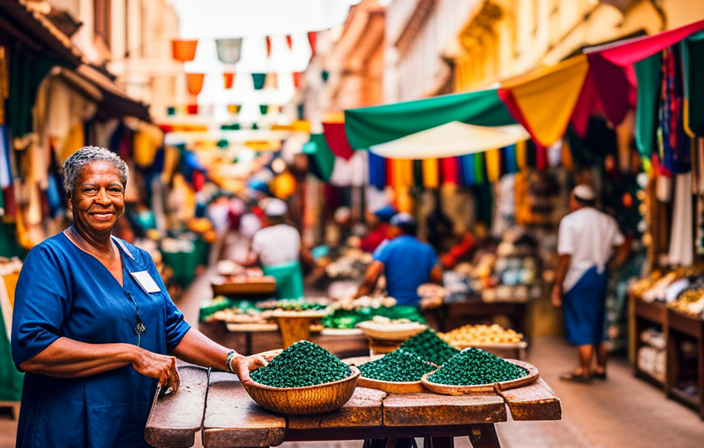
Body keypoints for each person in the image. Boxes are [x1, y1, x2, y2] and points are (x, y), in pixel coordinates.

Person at [11, 147, 271, 448]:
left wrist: (233, 359)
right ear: (70, 198)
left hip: (139, 417)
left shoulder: (138, 258)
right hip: (72, 424)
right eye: (90, 190)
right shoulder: (50, 259)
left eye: (114, 190)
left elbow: (171, 328)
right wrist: (130, 353)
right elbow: (31, 348)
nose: (104, 200)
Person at [552, 184, 630, 382]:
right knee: (600, 319)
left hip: (578, 276)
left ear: (575, 201)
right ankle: (601, 366)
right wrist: (613, 264)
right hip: (600, 273)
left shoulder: (570, 222)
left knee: (582, 322)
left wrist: (558, 285)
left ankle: (583, 369)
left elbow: (565, 257)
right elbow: (624, 244)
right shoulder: (607, 220)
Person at [355, 213, 443, 306]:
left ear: (397, 229)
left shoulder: (387, 246)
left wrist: (359, 295)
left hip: (395, 304)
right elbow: (436, 276)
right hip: (421, 305)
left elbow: (373, 273)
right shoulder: (427, 249)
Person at [246, 198, 317, 299]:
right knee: (294, 307)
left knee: (270, 307)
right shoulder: (292, 232)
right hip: (291, 275)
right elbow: (303, 253)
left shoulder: (261, 235)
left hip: (271, 275)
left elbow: (251, 259)